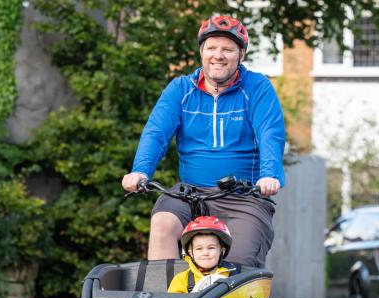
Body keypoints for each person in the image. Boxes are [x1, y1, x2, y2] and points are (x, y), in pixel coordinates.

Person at [122, 15, 285, 267]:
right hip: (190, 192)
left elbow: (270, 133)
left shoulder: (257, 87)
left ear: (241, 54)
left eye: (227, 49)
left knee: (239, 259)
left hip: (242, 196)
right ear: (201, 52)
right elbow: (156, 133)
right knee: (162, 222)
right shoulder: (180, 89)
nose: (218, 55)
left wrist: (269, 175)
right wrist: (140, 171)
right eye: (211, 48)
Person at [167, 216, 234, 293]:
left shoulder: (234, 276)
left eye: (211, 248)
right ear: (191, 253)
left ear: (222, 251)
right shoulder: (181, 280)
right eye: (199, 249)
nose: (205, 253)